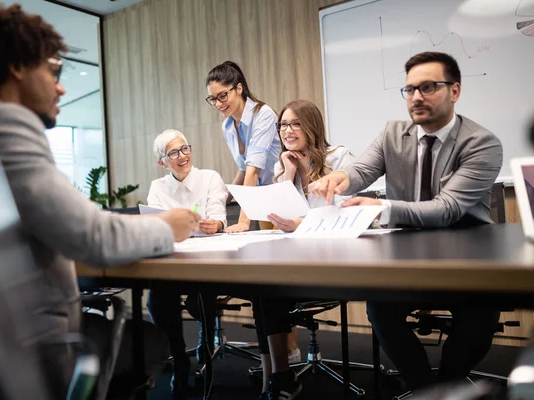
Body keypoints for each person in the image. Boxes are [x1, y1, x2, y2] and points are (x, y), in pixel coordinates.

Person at [0, 3, 200, 398]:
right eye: (53, 71)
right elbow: (93, 236)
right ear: (18, 68)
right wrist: (168, 227)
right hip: (27, 347)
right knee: (147, 341)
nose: (61, 87)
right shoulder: (1, 125)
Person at [309, 52, 503, 392]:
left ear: (454, 91)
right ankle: (424, 387)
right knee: (380, 305)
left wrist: (380, 207)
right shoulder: (392, 133)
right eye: (410, 89)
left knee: (481, 311)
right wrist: (338, 178)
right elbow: (361, 171)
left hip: (467, 252)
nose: (416, 97)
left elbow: (447, 208)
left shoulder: (481, 143)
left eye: (428, 87)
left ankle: (451, 380)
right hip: (406, 251)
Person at [254, 100, 353, 400]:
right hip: (294, 263)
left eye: (295, 123)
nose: (287, 130)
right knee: (262, 287)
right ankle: (279, 377)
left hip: (335, 262)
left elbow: (345, 212)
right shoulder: (283, 163)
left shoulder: (340, 158)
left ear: (311, 126)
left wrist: (300, 219)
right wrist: (287, 174)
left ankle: (277, 378)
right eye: (283, 125)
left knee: (269, 290)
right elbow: (276, 219)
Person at [146, 129, 227, 397]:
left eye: (185, 149)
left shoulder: (209, 178)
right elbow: (155, 224)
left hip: (205, 259)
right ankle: (179, 357)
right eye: (173, 153)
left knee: (199, 299)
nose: (182, 156)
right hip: (173, 258)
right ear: (162, 162)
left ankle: (206, 343)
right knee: (158, 299)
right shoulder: (158, 188)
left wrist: (215, 224)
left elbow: (218, 215)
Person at [205, 61, 280, 232]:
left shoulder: (263, 114)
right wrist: (224, 199)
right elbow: (244, 168)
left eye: (222, 96)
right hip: (261, 197)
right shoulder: (227, 126)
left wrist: (244, 222)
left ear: (238, 88)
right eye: (213, 99)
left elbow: (253, 170)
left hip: (282, 192)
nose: (217, 104)